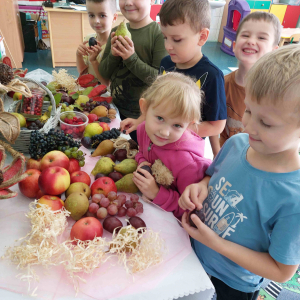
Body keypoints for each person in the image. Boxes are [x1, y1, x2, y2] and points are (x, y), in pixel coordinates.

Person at [179, 45, 300, 300]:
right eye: (248, 110)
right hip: (192, 256)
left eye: (265, 122)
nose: (247, 125)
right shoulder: (237, 143)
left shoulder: (294, 197)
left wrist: (216, 244)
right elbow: (211, 177)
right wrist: (200, 186)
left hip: (232, 285)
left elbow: (281, 271)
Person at [121, 0, 226, 157]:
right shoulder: (165, 63)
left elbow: (216, 126)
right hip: (156, 142)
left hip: (184, 151)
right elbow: (155, 104)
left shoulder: (212, 75)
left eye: (176, 40)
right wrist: (140, 121)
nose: (168, 46)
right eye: (165, 37)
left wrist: (176, 129)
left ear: (202, 37)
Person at [133, 72, 211, 219]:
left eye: (177, 125)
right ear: (144, 107)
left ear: (189, 124)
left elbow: (189, 210)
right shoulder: (144, 129)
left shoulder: (189, 164)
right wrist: (143, 163)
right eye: (160, 118)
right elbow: (141, 152)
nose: (164, 132)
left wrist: (156, 193)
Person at [99, 0, 168, 143]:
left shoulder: (159, 34)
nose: (128, 2)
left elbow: (160, 80)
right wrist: (113, 55)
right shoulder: (115, 31)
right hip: (113, 110)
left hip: (142, 118)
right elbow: (104, 73)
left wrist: (131, 59)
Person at [216, 12, 281, 153]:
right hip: (227, 156)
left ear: (273, 51)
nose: (251, 41)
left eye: (261, 37)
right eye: (245, 35)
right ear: (234, 45)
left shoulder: (277, 92)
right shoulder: (222, 84)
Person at [76, 0, 118, 83]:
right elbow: (83, 72)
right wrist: (78, 55)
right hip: (89, 87)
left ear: (114, 18)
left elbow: (107, 83)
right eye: (91, 15)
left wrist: (94, 61)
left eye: (102, 15)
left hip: (105, 92)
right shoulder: (88, 38)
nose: (96, 21)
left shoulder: (114, 46)